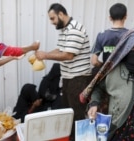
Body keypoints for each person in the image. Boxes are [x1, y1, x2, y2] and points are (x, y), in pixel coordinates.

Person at [35, 3, 92, 140]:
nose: (52, 22)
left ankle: (79, 138)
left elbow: (68, 55)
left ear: (61, 14)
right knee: (68, 112)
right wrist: (44, 54)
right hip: (68, 77)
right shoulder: (64, 29)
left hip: (79, 78)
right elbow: (60, 50)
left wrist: (45, 56)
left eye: (53, 18)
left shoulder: (74, 29)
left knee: (77, 114)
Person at [91, 3, 128, 68]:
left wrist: (104, 67)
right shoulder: (130, 35)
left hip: (107, 74)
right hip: (124, 74)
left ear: (110, 18)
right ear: (125, 17)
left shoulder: (102, 35)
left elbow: (94, 61)